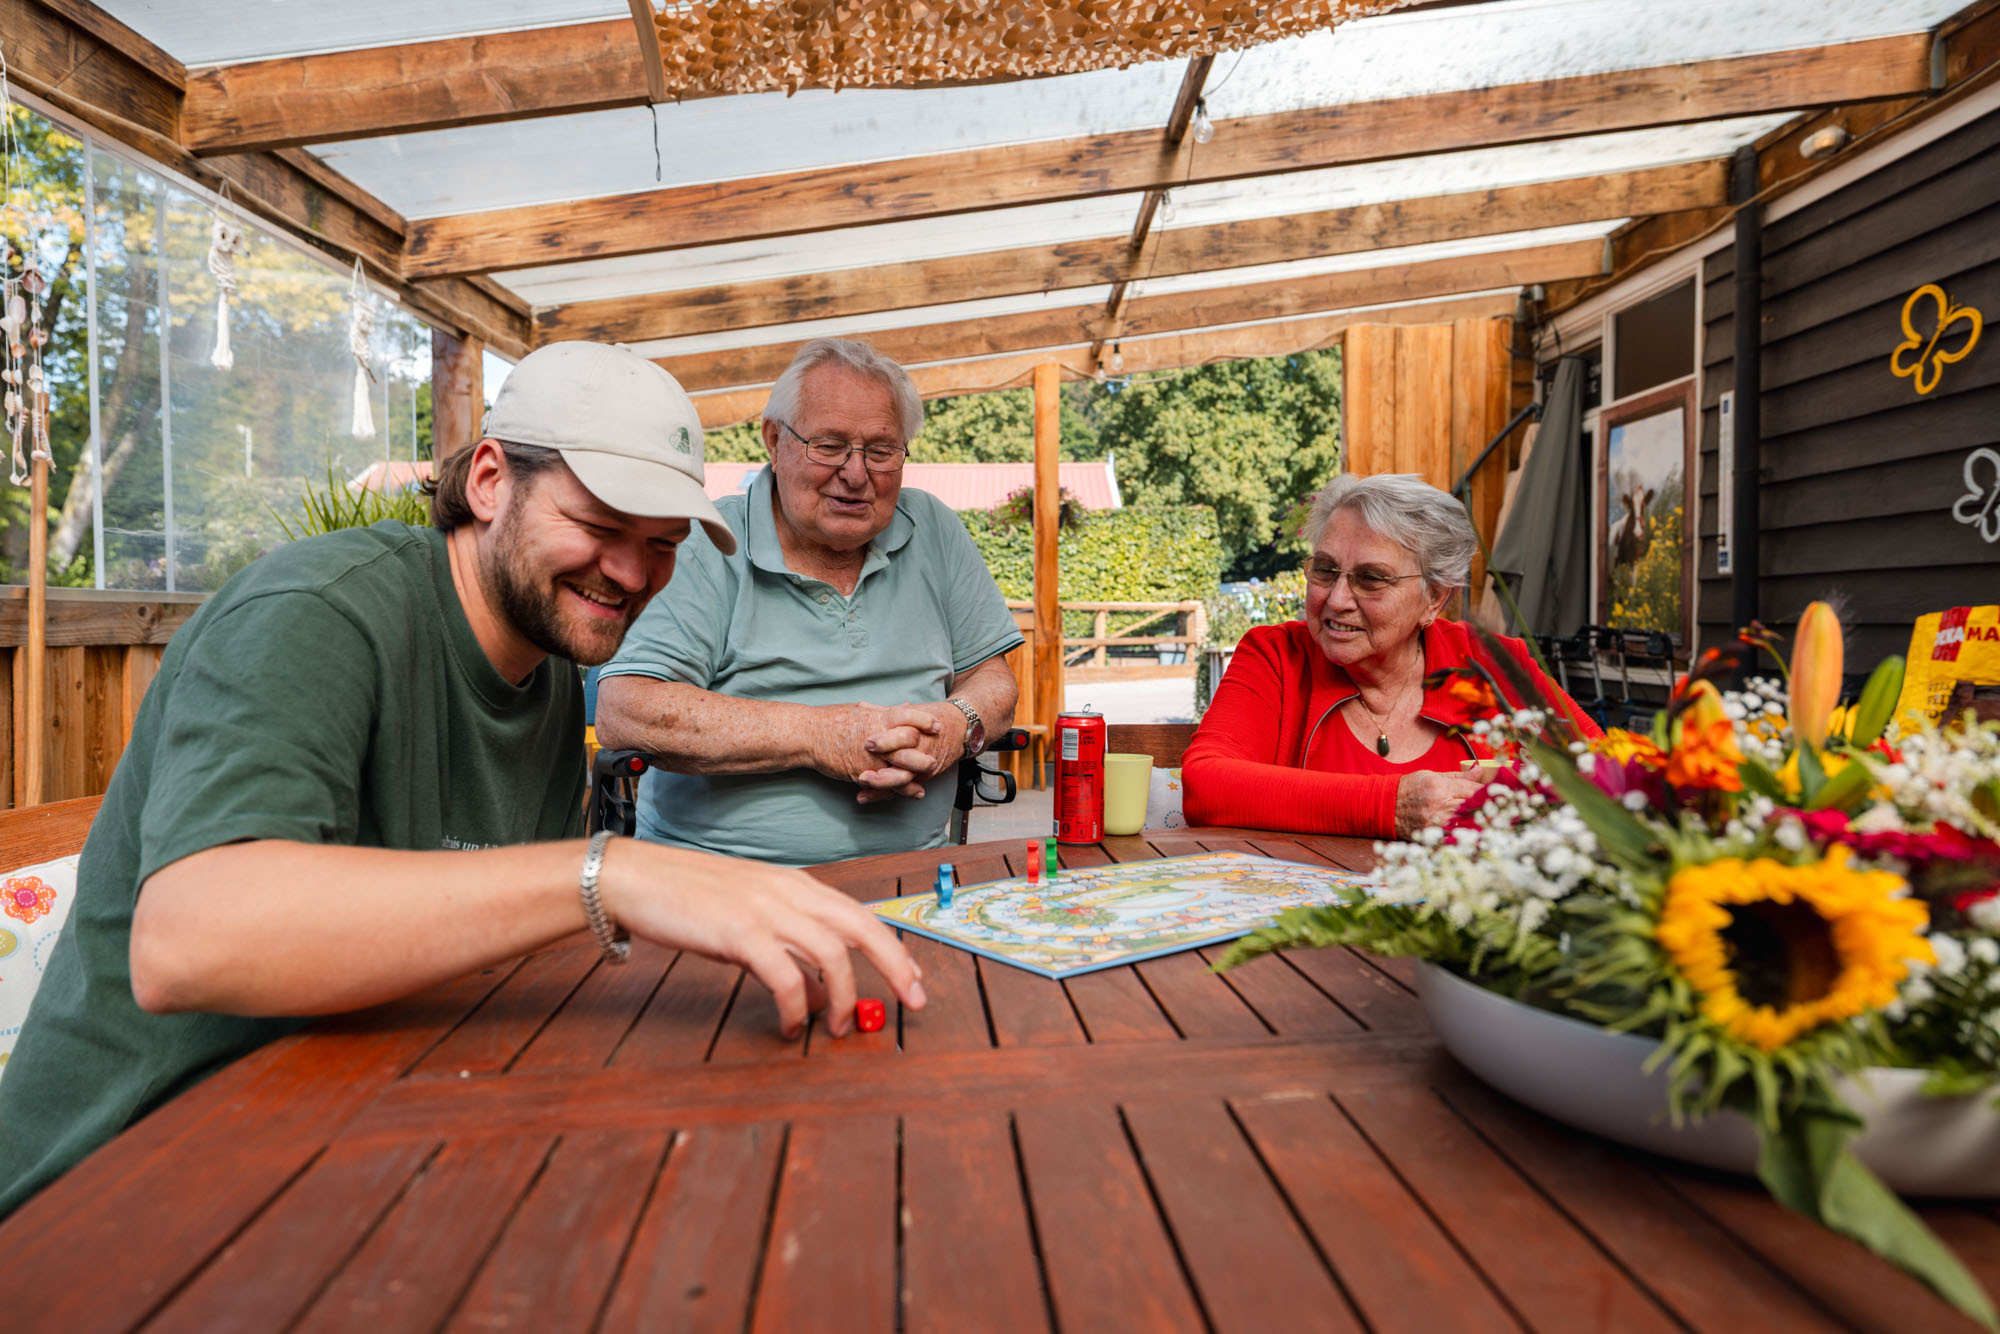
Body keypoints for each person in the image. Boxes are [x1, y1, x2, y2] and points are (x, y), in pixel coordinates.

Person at [0, 341, 923, 1215]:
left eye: (665, 540)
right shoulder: (318, 616)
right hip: (120, 1183)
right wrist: (620, 873)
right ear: (488, 480)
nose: (634, 572)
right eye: (600, 524)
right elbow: (187, 943)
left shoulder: (550, 661)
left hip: (354, 1139)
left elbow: (516, 963)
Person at [595, 339, 1022, 868]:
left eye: (882, 450)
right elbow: (628, 711)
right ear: (774, 440)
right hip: (717, 886)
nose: (856, 472)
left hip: (914, 879)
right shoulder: (708, 540)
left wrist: (952, 727)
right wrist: (822, 736)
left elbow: (995, 682)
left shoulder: (933, 528)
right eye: (830, 444)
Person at [1184, 472, 1599, 838]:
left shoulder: (1492, 664)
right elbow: (1207, 785)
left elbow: (1614, 772)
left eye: (1371, 578)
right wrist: (1390, 805)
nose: (1337, 599)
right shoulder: (1276, 656)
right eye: (1326, 570)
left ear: (1434, 598)